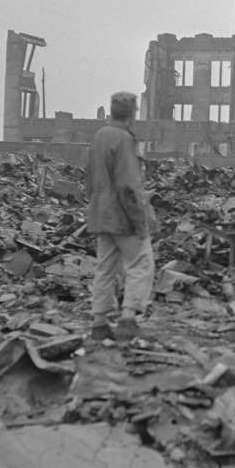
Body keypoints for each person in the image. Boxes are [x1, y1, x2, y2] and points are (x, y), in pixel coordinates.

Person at [85, 91, 156, 341]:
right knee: (141, 262)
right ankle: (128, 318)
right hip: (122, 215)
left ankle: (99, 322)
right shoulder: (124, 139)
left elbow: (89, 177)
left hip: (100, 213)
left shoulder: (100, 136)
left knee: (105, 267)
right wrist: (140, 222)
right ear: (132, 113)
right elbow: (128, 186)